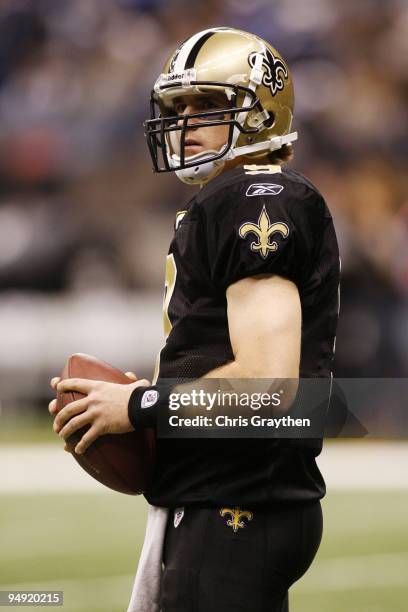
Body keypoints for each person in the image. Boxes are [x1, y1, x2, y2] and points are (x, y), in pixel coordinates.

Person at [49, 27, 340, 612]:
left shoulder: (257, 199)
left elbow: (268, 386)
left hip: (237, 503)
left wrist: (139, 407)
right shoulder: (228, 198)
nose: (185, 122)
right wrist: (160, 393)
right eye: (178, 106)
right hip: (229, 497)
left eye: (207, 104)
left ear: (259, 112)